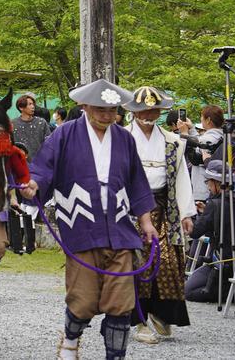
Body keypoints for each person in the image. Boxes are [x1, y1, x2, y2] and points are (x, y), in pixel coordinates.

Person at [20, 79, 158, 360]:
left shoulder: (124, 138)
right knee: (82, 302)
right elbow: (43, 168)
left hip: (119, 228)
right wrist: (33, 184)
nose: (107, 115)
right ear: (84, 106)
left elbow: (137, 183)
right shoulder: (64, 134)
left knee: (121, 304)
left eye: (112, 109)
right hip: (81, 225)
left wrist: (145, 221)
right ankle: (71, 340)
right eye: (100, 109)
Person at [122, 86, 193, 343]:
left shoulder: (171, 141)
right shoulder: (121, 138)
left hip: (164, 207)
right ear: (133, 110)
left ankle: (161, 314)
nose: (148, 115)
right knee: (135, 263)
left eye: (153, 110)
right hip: (129, 209)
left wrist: (186, 212)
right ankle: (138, 320)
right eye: (143, 109)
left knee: (167, 262)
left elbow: (181, 177)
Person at [185, 160, 235, 303]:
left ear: (216, 183)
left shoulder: (215, 205)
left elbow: (195, 232)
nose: (208, 186)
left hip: (221, 262)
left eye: (208, 182)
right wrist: (208, 213)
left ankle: (229, 294)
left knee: (188, 292)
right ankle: (233, 290)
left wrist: (189, 217)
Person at [13, 92, 52, 163]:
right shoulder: (13, 124)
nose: (33, 106)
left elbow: (49, 143)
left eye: (33, 104)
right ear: (21, 107)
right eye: (29, 104)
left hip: (40, 163)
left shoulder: (41, 122)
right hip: (20, 164)